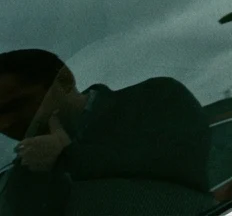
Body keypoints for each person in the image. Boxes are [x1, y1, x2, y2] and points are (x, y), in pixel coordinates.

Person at [0, 49, 211, 216]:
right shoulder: (24, 172)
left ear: (64, 81)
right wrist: (39, 173)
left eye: (17, 104)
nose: (5, 124)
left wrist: (67, 155)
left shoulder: (157, 98)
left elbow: (180, 165)